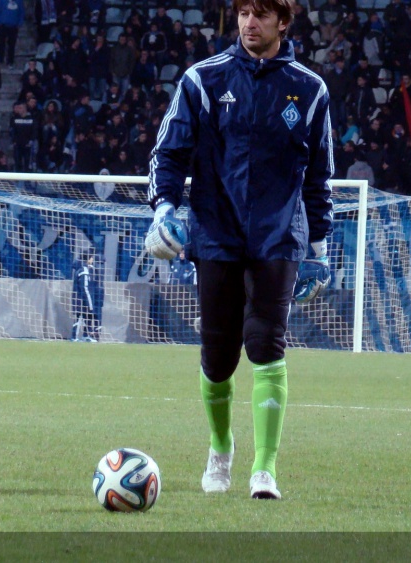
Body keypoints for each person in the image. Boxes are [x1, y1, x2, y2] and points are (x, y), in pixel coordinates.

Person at [145, 0, 333, 500]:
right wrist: (163, 209)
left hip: (279, 235)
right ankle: (220, 449)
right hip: (216, 232)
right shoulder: (202, 80)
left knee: (266, 342)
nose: (250, 23)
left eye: (261, 14)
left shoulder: (310, 90)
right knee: (218, 354)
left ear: (282, 23)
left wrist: (318, 247)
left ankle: (264, 469)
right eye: (245, 13)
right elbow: (169, 153)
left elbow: (318, 176)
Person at [70, 251, 99, 342]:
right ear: (88, 259)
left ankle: (86, 335)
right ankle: (74, 337)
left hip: (79, 298)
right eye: (91, 258)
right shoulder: (84, 271)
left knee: (88, 317)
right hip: (82, 299)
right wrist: (89, 302)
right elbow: (84, 288)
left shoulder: (81, 269)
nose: (92, 260)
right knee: (80, 317)